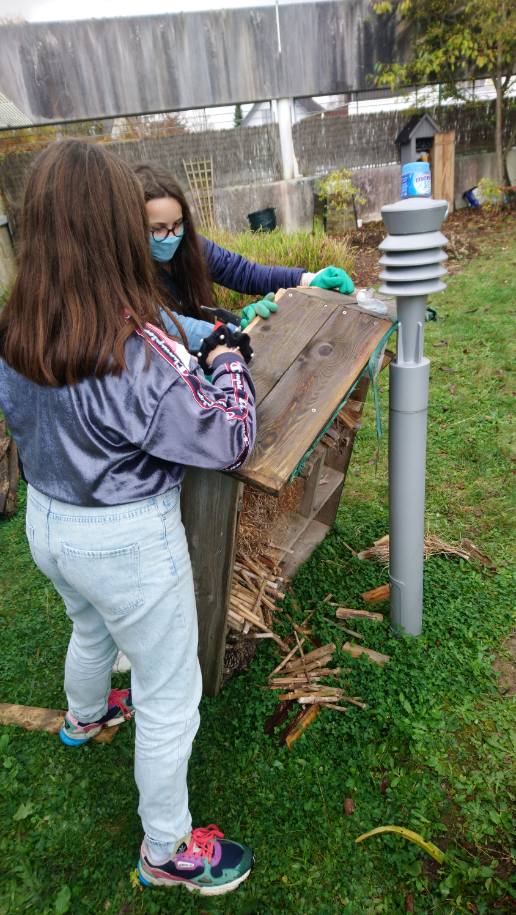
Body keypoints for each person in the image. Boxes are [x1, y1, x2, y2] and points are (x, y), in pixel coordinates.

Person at [0, 140, 256, 896]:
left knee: (90, 628)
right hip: (127, 542)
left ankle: (84, 718)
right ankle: (167, 849)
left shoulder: (16, 326)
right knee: (169, 695)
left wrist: (193, 339)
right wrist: (230, 357)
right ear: (114, 226)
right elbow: (228, 436)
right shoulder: (130, 348)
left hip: (49, 525)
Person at [133, 163, 355, 352]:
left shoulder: (192, 247)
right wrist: (236, 331)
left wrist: (308, 279)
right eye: (158, 229)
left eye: (177, 224)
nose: (172, 236)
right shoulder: (129, 275)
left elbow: (244, 273)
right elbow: (172, 326)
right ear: (134, 228)